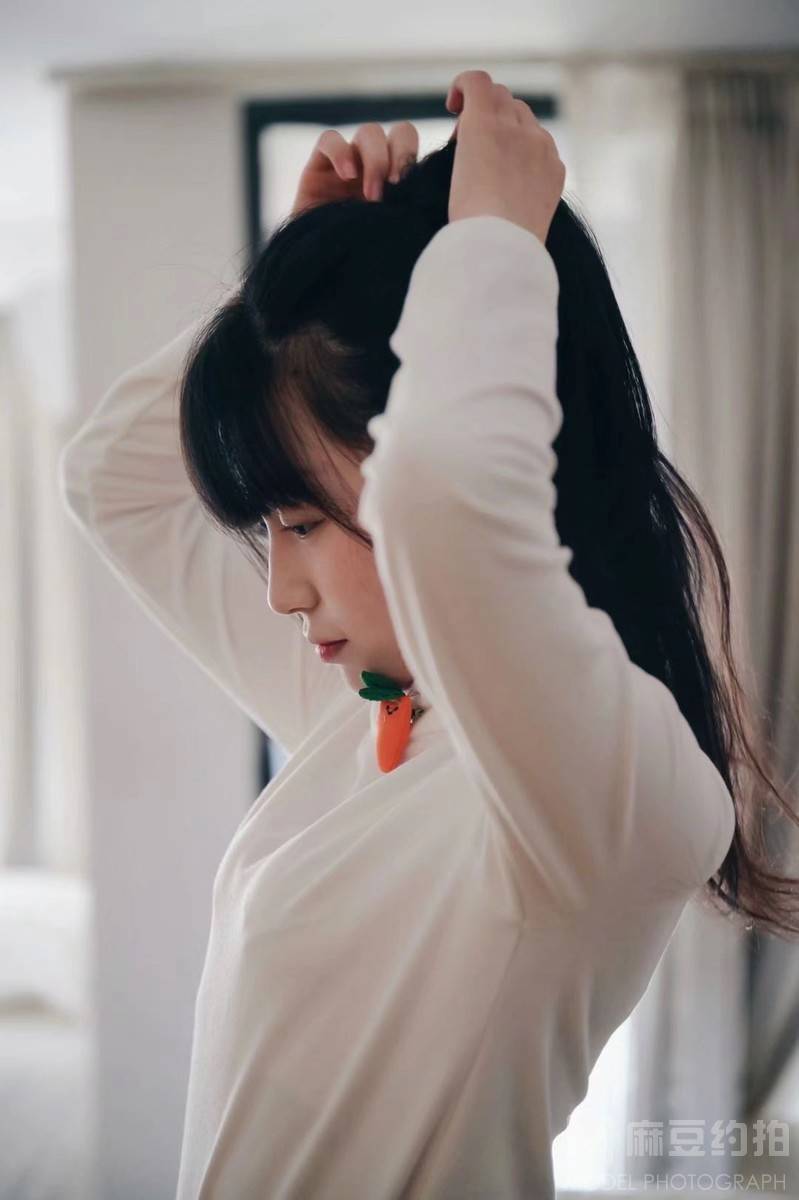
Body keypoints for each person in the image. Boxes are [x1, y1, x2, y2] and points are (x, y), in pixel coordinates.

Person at [59, 69, 799, 1200]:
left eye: (305, 523)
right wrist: (287, 291)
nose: (281, 591)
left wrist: (495, 239)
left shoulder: (603, 794)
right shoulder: (379, 717)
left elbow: (445, 498)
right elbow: (113, 478)